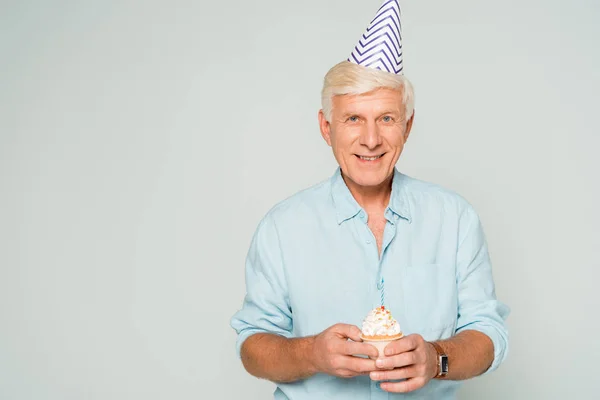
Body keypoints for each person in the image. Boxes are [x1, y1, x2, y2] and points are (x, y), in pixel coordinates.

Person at [230, 1, 509, 398]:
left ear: (407, 126)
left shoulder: (455, 219)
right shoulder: (282, 227)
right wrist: (312, 353)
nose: (371, 139)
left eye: (387, 118)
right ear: (327, 128)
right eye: (353, 119)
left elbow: (488, 333)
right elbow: (252, 346)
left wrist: (436, 359)